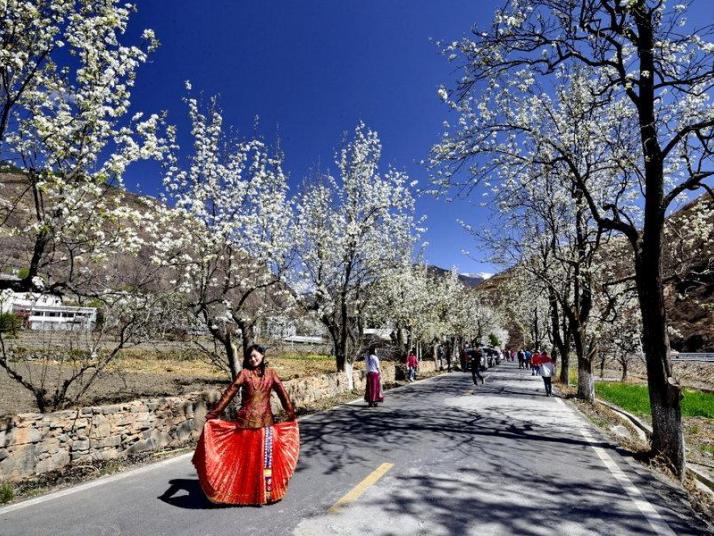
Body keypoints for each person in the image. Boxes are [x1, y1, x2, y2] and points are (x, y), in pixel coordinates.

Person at [192, 344, 299, 506]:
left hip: (266, 425)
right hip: (246, 425)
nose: (253, 359)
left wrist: (291, 413)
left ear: (262, 356)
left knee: (264, 461)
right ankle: (248, 493)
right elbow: (229, 393)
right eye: (250, 357)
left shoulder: (271, 374)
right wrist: (213, 414)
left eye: (255, 356)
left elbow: (283, 394)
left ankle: (265, 493)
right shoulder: (244, 374)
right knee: (247, 461)